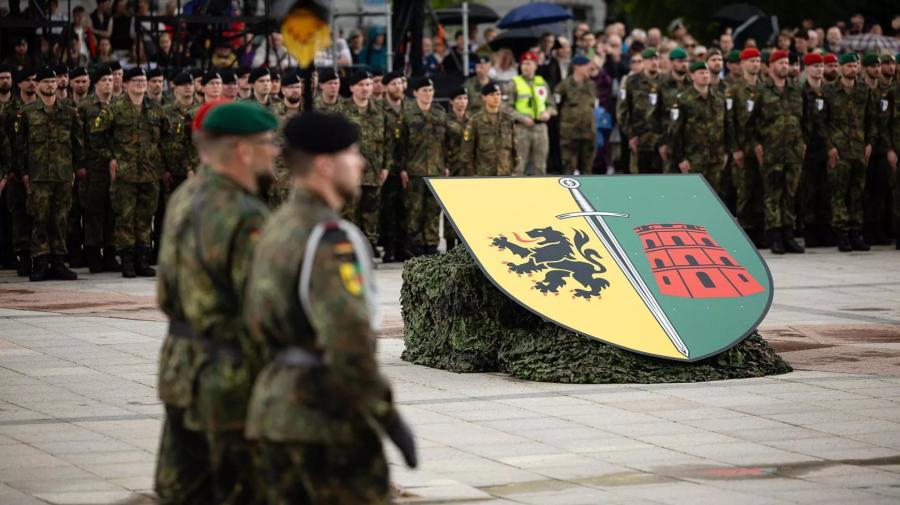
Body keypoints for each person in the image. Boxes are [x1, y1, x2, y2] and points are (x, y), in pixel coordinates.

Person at [245, 111, 415, 503]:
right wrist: (387, 416)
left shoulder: (276, 226)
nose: (362, 163)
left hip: (273, 408)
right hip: (322, 417)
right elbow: (349, 339)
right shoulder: (330, 238)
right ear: (324, 165)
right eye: (352, 153)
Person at [155, 100, 278, 505]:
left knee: (184, 492)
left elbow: (164, 294)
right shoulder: (245, 215)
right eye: (267, 142)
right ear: (242, 150)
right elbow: (265, 312)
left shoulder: (184, 197)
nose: (275, 151)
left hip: (180, 368)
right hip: (229, 381)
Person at [94, 67, 168, 277]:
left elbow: (166, 137)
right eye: (136, 80)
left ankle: (142, 260)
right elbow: (96, 136)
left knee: (145, 217)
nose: (140, 84)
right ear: (125, 84)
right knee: (125, 217)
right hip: (125, 173)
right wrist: (111, 157)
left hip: (149, 173)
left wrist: (160, 164)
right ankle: (127, 261)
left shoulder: (155, 109)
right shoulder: (114, 109)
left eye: (143, 80)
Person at [12, 67, 83, 282]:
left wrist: (74, 170)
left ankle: (59, 262)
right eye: (46, 82)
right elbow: (19, 147)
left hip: (63, 175)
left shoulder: (69, 112)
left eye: (53, 81)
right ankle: (41, 262)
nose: (51, 85)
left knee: (61, 219)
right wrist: (24, 174)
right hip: (38, 176)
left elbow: (77, 143)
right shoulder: (27, 113)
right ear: (38, 86)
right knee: (40, 219)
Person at [753, 50, 806, 254]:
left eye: (787, 62)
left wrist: (803, 141)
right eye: (781, 62)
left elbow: (806, 118)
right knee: (772, 194)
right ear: (771, 66)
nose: (785, 66)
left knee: (791, 194)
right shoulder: (761, 90)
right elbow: (750, 122)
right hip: (771, 150)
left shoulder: (796, 89)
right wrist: (756, 144)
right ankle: (774, 236)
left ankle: (788, 235)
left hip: (793, 150)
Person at [823, 53, 873, 252]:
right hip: (839, 150)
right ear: (841, 68)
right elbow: (821, 123)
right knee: (838, 193)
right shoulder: (829, 91)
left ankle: (855, 231)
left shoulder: (864, 90)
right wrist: (829, 147)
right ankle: (842, 233)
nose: (853, 69)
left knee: (857, 193)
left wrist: (869, 143)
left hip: (859, 149)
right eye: (849, 65)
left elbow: (871, 119)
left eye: (855, 65)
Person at [338, 71, 389, 254]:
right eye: (361, 85)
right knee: (349, 211)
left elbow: (387, 141)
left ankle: (369, 246)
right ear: (352, 88)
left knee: (371, 212)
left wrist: (386, 166)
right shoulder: (341, 111)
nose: (365, 88)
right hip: (349, 171)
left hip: (373, 170)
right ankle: (350, 247)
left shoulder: (379, 111)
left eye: (368, 84)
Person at [398, 77, 449, 256]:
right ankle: (415, 244)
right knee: (414, 209)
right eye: (424, 90)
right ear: (415, 93)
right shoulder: (408, 115)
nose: (428, 94)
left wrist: (446, 165)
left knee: (434, 209)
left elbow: (446, 143)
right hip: (414, 169)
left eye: (430, 90)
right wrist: (402, 168)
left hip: (436, 168)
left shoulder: (440, 113)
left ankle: (431, 243)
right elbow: (401, 144)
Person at [79, 65, 120, 273]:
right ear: (95, 84)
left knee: (113, 210)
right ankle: (93, 254)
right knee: (94, 211)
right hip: (94, 166)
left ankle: (111, 253)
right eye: (104, 80)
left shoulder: (119, 105)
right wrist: (80, 165)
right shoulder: (86, 107)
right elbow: (80, 138)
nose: (108, 84)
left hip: (117, 167)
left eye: (110, 80)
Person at [668, 61, 727, 195]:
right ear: (692, 76)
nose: (705, 76)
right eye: (701, 73)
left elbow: (726, 125)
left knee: (715, 195)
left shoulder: (718, 98)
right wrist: (680, 158)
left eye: (706, 73)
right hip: (693, 158)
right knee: (694, 195)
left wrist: (726, 152)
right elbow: (675, 131)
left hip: (716, 157)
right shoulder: (683, 99)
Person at [730, 48, 767, 247]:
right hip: (743, 148)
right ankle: (745, 230)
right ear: (743, 63)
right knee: (745, 190)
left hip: (763, 148)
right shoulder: (735, 90)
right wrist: (735, 148)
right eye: (751, 61)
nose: (755, 64)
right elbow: (730, 121)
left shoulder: (765, 87)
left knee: (762, 189)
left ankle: (760, 230)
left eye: (757, 61)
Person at [3, 69, 38, 277]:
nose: (32, 84)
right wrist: (10, 169)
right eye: (28, 80)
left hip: (39, 172)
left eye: (34, 80)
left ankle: (41, 258)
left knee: (40, 216)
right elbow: (6, 142)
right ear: (19, 84)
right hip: (16, 173)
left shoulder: (42, 107)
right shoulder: (10, 110)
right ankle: (22, 258)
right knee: (19, 217)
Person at [799, 52, 833, 248]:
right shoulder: (801, 91)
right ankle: (810, 230)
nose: (819, 69)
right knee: (809, 190)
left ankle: (825, 229)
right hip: (807, 146)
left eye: (821, 66)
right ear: (806, 69)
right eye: (815, 66)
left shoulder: (829, 91)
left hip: (826, 146)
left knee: (825, 189)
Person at [506, 51, 555, 176]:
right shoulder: (514, 83)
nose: (525, 67)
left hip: (540, 128)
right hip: (522, 128)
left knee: (540, 166)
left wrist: (548, 113)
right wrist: (521, 118)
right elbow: (506, 108)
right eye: (523, 64)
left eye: (529, 64)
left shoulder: (541, 83)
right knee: (519, 165)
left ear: (535, 66)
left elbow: (551, 104)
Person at [378, 71, 410, 263]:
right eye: (393, 84)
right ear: (385, 87)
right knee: (387, 209)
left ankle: (402, 248)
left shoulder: (410, 108)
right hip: (388, 167)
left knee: (404, 208)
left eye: (400, 83)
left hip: (407, 165)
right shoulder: (379, 109)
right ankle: (388, 248)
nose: (398, 87)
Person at [617, 48, 664, 174]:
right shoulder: (631, 82)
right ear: (644, 62)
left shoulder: (665, 81)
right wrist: (630, 135)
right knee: (639, 176)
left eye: (656, 59)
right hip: (640, 139)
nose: (654, 62)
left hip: (661, 140)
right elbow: (623, 111)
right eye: (650, 59)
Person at [459, 82, 518, 177]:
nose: (496, 97)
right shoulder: (475, 121)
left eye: (498, 94)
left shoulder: (508, 120)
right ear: (484, 97)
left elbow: (515, 148)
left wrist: (515, 170)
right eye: (492, 95)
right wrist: (471, 174)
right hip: (483, 173)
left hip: (505, 172)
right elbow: (466, 152)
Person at [556, 55, 598, 175]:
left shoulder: (591, 85)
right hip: (570, 133)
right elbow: (556, 104)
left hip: (588, 131)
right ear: (577, 67)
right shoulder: (564, 85)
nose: (590, 69)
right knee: (569, 166)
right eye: (587, 66)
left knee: (587, 167)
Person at [269, 71, 302, 207]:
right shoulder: (272, 112)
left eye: (298, 87)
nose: (295, 90)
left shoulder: (309, 112)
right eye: (291, 87)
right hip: (279, 174)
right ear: (283, 90)